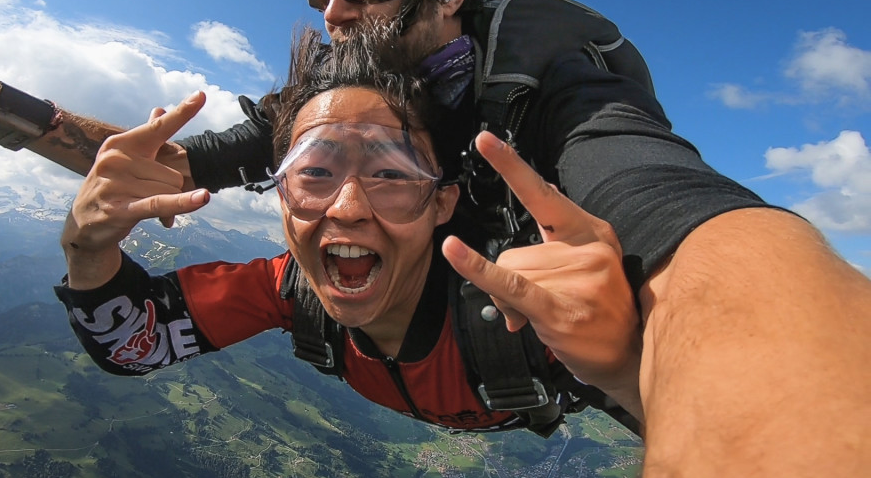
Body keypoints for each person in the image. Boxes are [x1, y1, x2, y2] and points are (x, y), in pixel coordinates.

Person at [0, 0, 869, 478]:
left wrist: (623, 359)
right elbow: (143, 170)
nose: (329, 10)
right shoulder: (312, 183)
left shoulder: (555, 98)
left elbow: (686, 224)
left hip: (528, 329)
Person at [57, 26, 640, 434]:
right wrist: (86, 250)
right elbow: (135, 346)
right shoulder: (292, 291)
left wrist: (628, 364)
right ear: (281, 197)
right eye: (314, 172)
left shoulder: (526, 309)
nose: (349, 207)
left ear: (442, 203)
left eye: (390, 172)